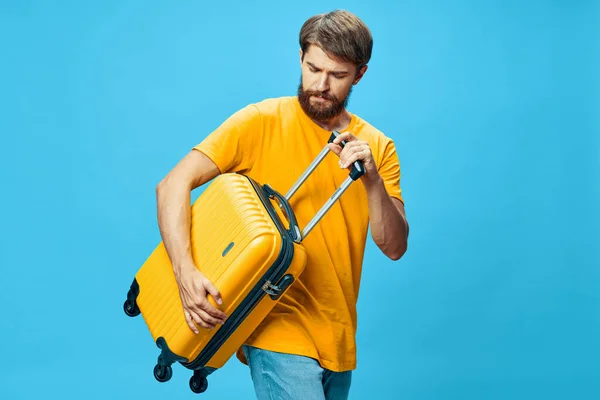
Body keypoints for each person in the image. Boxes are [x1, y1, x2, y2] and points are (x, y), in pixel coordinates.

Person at [155, 9, 409, 400]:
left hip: (339, 336)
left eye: (337, 75)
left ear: (360, 74)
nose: (320, 85)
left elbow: (394, 247)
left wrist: (372, 180)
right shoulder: (261, 120)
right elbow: (173, 184)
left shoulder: (378, 147)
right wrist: (184, 271)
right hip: (275, 323)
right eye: (313, 68)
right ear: (301, 59)